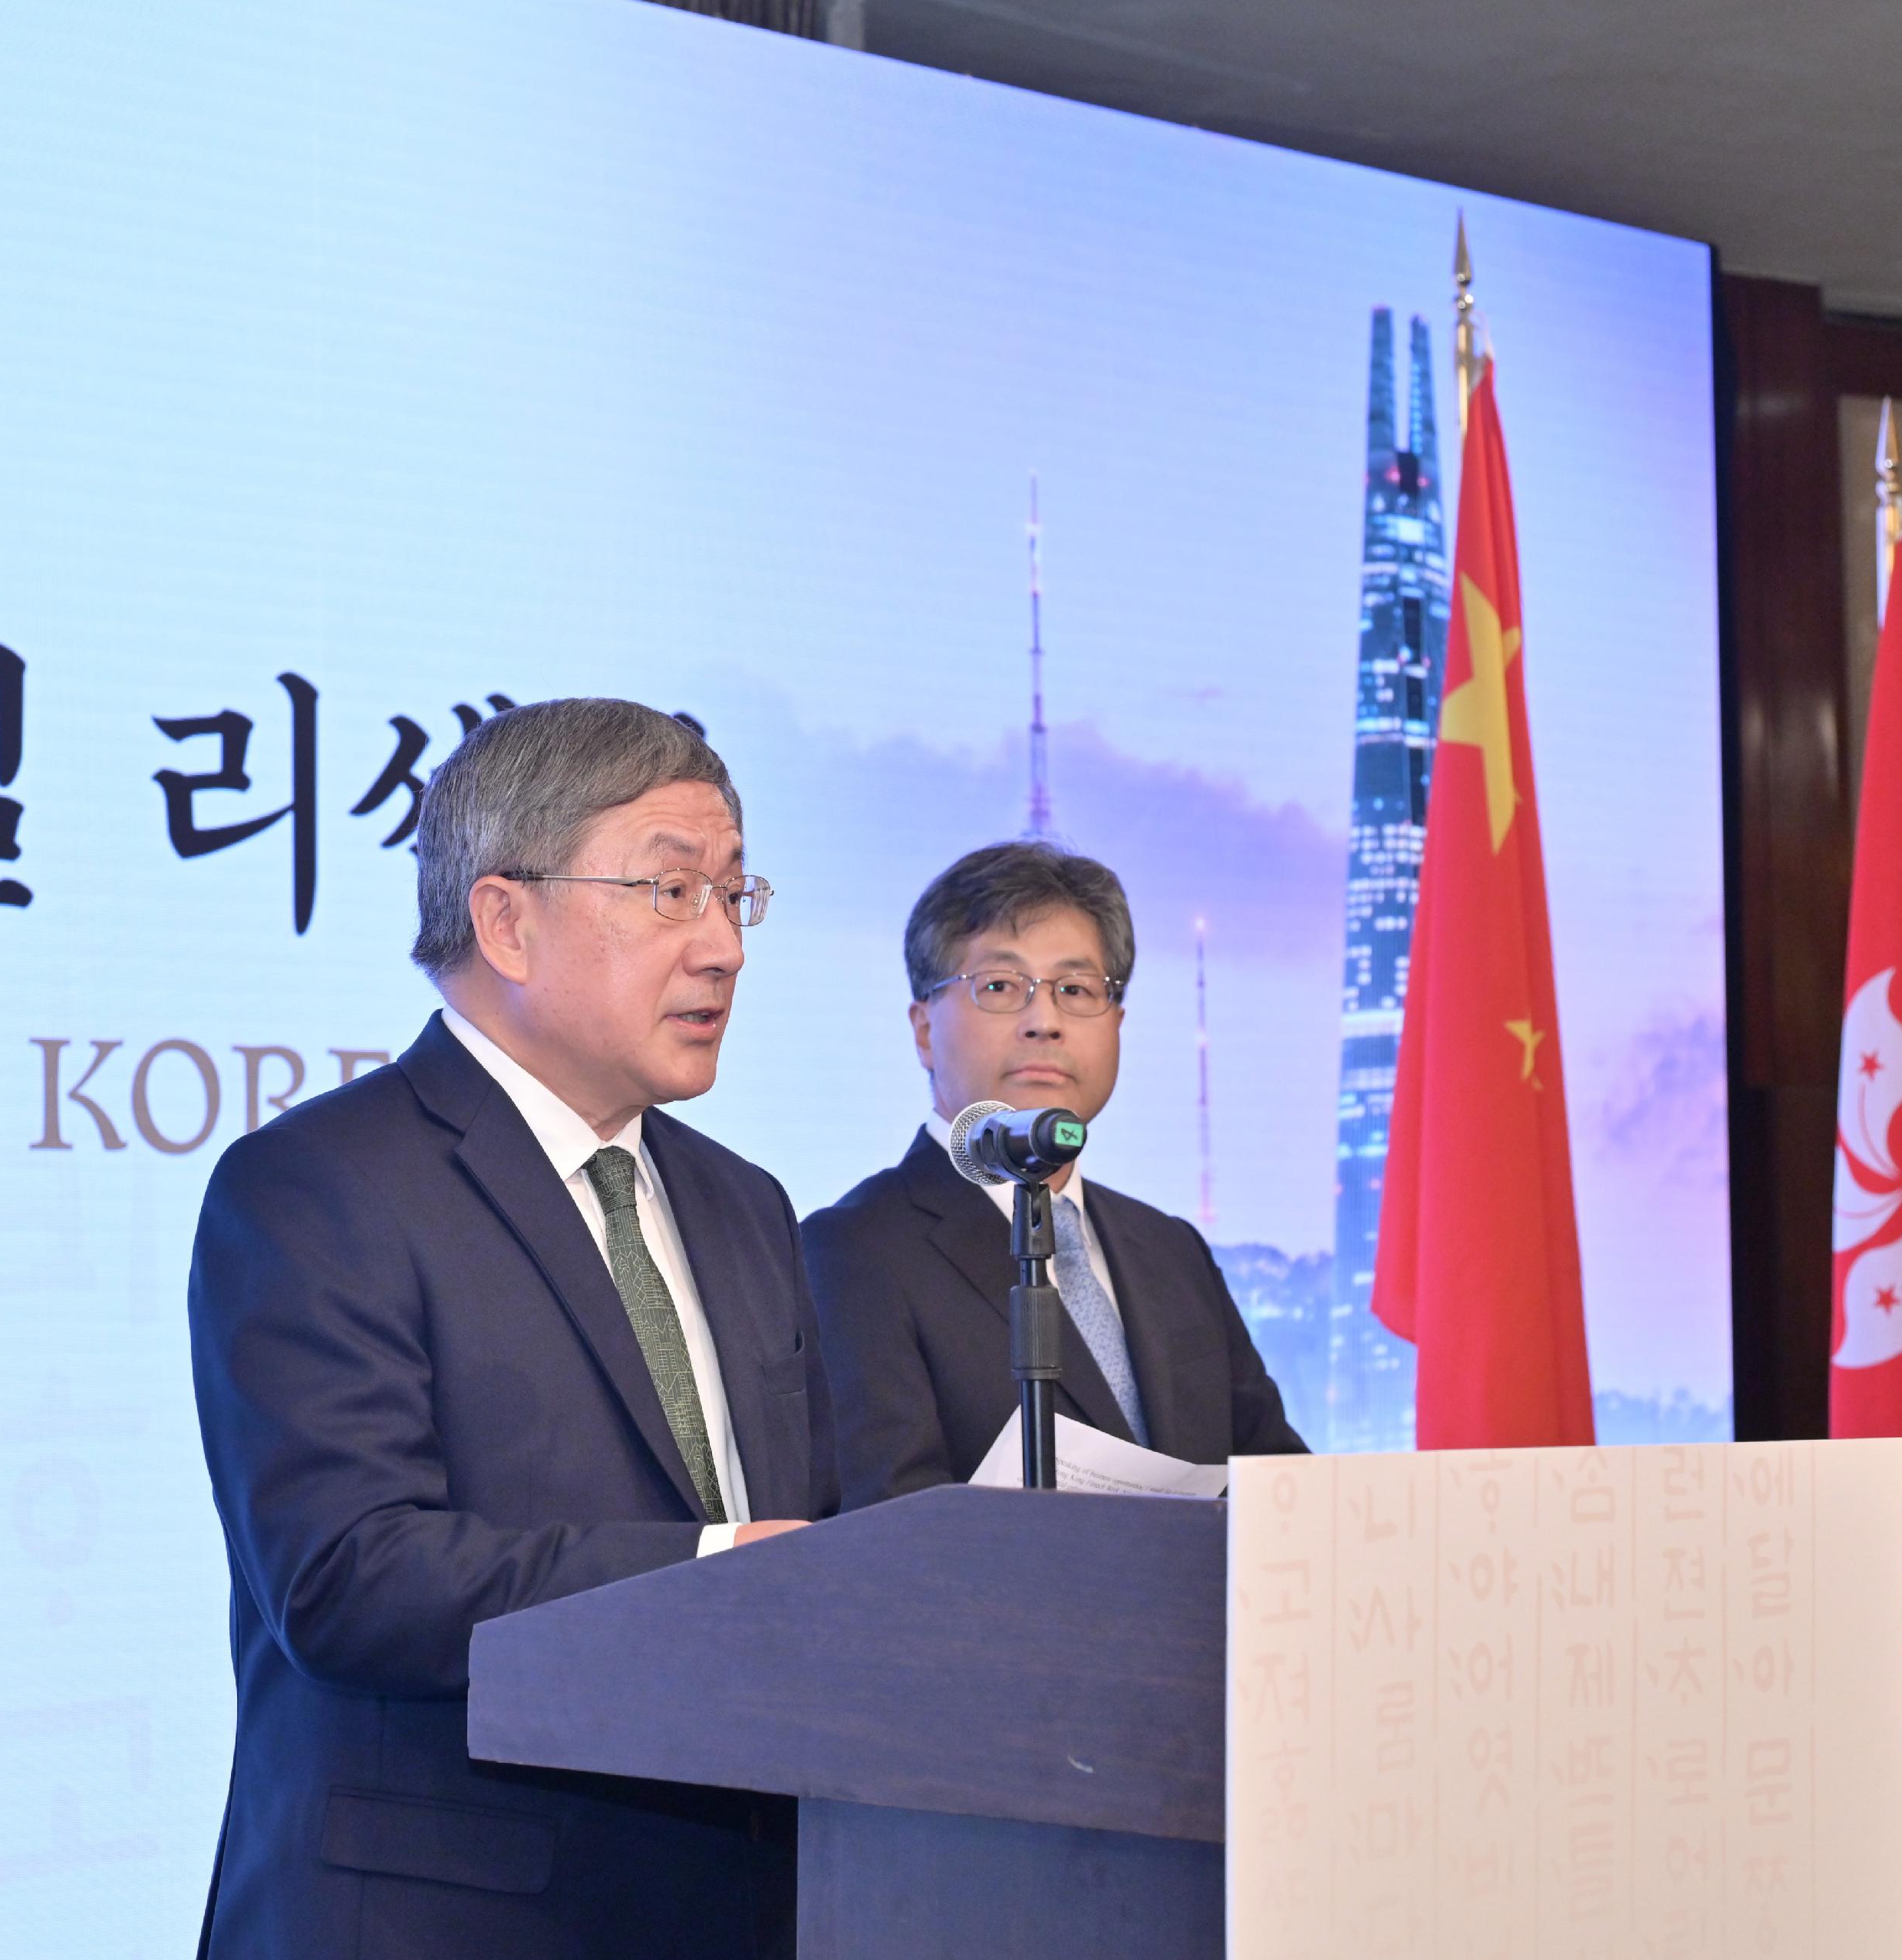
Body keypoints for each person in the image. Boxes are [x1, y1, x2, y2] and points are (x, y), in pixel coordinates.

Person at [187, 698, 836, 1960]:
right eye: (670, 890)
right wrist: (719, 1569)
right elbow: (345, 1577)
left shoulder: (745, 1204)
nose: (723, 948)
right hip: (442, 1918)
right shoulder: (320, 1183)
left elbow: (824, 1533)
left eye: (735, 895)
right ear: (508, 919)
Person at [801, 841, 1305, 1509]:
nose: (1045, 1022)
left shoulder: (1171, 1251)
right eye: (1001, 987)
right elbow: (887, 1526)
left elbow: (1280, 1488)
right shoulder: (853, 1251)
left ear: (1117, 1023)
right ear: (923, 1027)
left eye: (1075, 989)